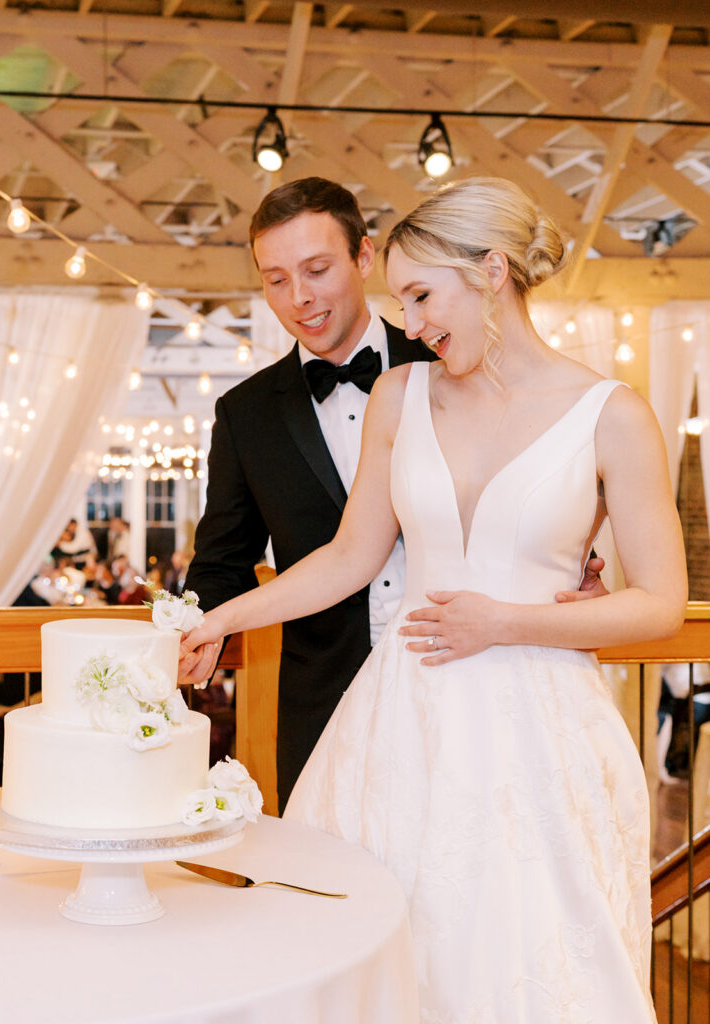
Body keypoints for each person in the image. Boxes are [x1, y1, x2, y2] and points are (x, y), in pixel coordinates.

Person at [183, 177, 687, 1021]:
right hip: (398, 722)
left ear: (490, 271)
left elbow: (662, 604)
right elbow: (347, 557)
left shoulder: (613, 414)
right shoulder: (399, 395)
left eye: (420, 296)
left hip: (540, 728)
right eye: (402, 302)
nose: (411, 325)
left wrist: (509, 621)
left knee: (526, 962)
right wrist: (222, 617)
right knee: (380, 957)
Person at [182, 176, 604, 812]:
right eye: (275, 280)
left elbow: (532, 495)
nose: (298, 298)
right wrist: (199, 626)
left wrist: (564, 575)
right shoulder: (245, 413)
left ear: (363, 256)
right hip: (325, 703)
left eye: (317, 269)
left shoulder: (458, 354)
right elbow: (231, 559)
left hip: (485, 690)